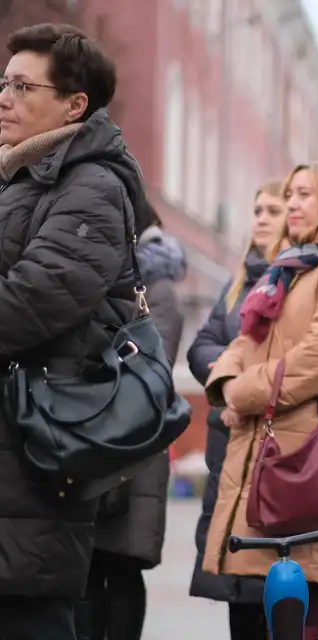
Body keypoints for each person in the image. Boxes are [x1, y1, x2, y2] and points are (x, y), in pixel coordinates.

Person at [0, 23, 151, 638]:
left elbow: (38, 299)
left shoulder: (90, 183)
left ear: (74, 103)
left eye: (21, 85)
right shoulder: (19, 179)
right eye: (2, 83)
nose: (4, 97)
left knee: (29, 610)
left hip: (35, 445)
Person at [204, 164, 318, 640]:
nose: (293, 203)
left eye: (306, 195)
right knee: (251, 608)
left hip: (302, 459)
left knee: (293, 607)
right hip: (260, 454)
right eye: (291, 194)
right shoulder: (289, 266)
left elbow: (317, 359)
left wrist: (240, 391)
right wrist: (227, 382)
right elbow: (245, 340)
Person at [75, 206, 187, 640]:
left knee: (119, 566)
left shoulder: (156, 290)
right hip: (96, 442)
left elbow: (150, 369)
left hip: (134, 451)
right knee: (88, 566)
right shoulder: (107, 278)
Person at [186, 181, 286, 637]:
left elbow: (289, 358)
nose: (261, 218)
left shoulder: (302, 278)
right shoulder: (240, 281)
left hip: (276, 447)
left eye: (274, 209)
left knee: (279, 584)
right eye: (257, 209)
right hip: (227, 445)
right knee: (237, 587)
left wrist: (240, 376)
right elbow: (201, 344)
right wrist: (229, 379)